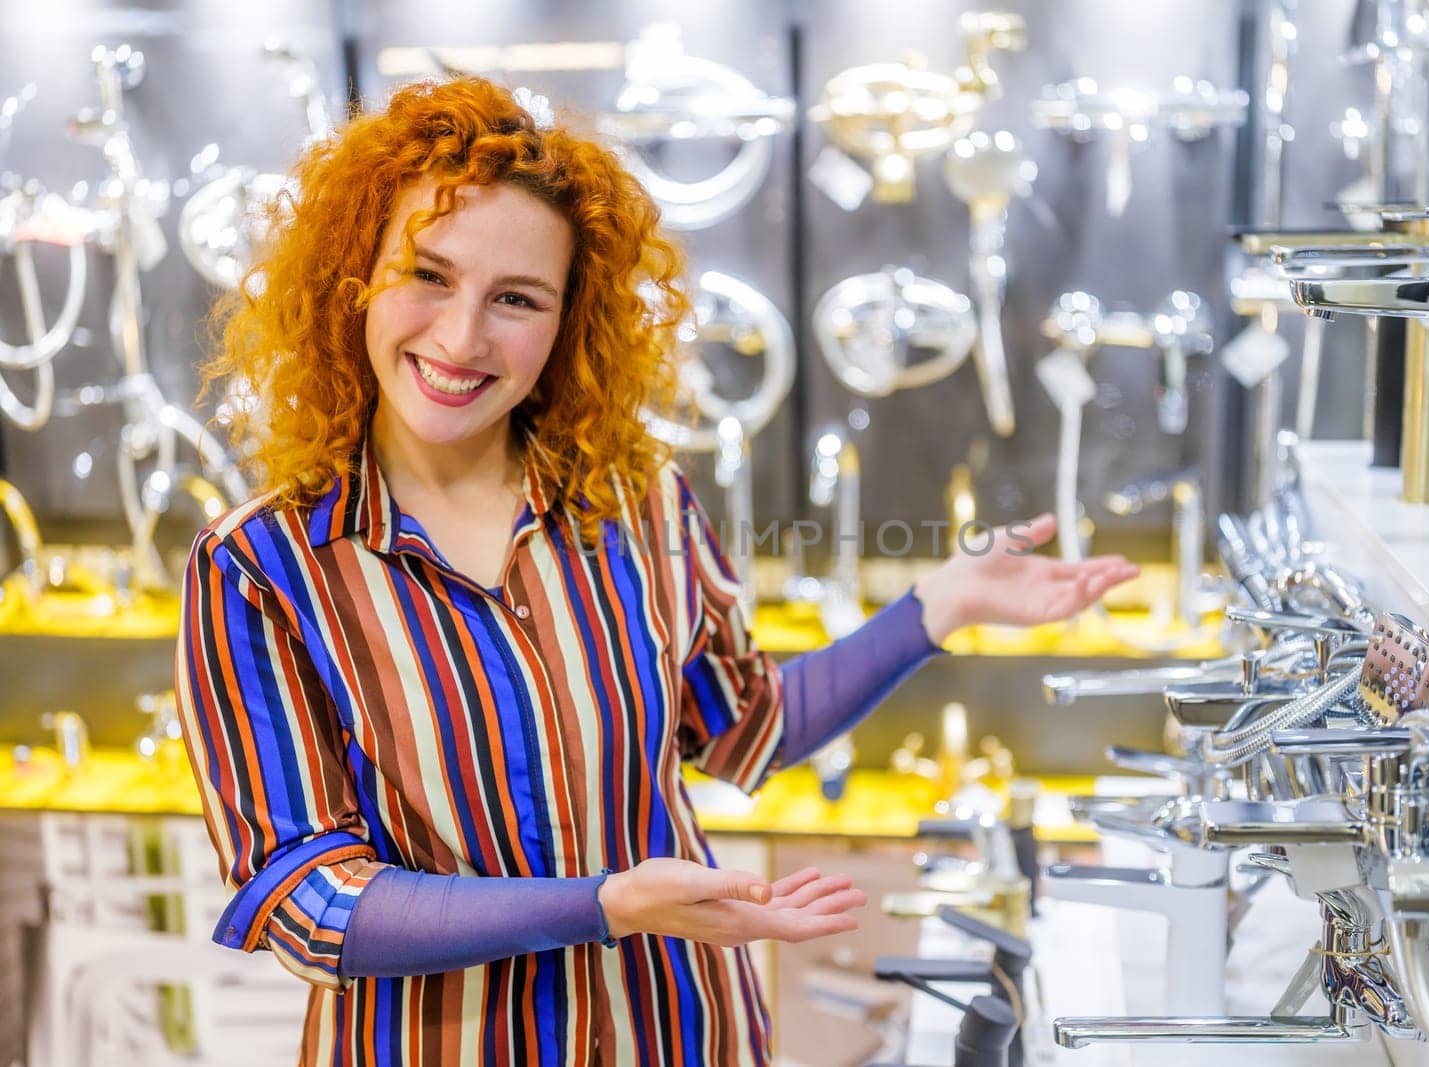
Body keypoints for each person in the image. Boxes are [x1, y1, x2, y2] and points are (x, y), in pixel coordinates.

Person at [175, 76, 1139, 1066]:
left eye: (516, 298)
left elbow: (742, 725)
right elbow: (307, 902)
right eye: (427, 274)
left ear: (566, 325)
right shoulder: (260, 569)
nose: (462, 338)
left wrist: (940, 603)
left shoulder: (633, 502)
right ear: (355, 278)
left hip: (677, 1032)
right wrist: (605, 902)